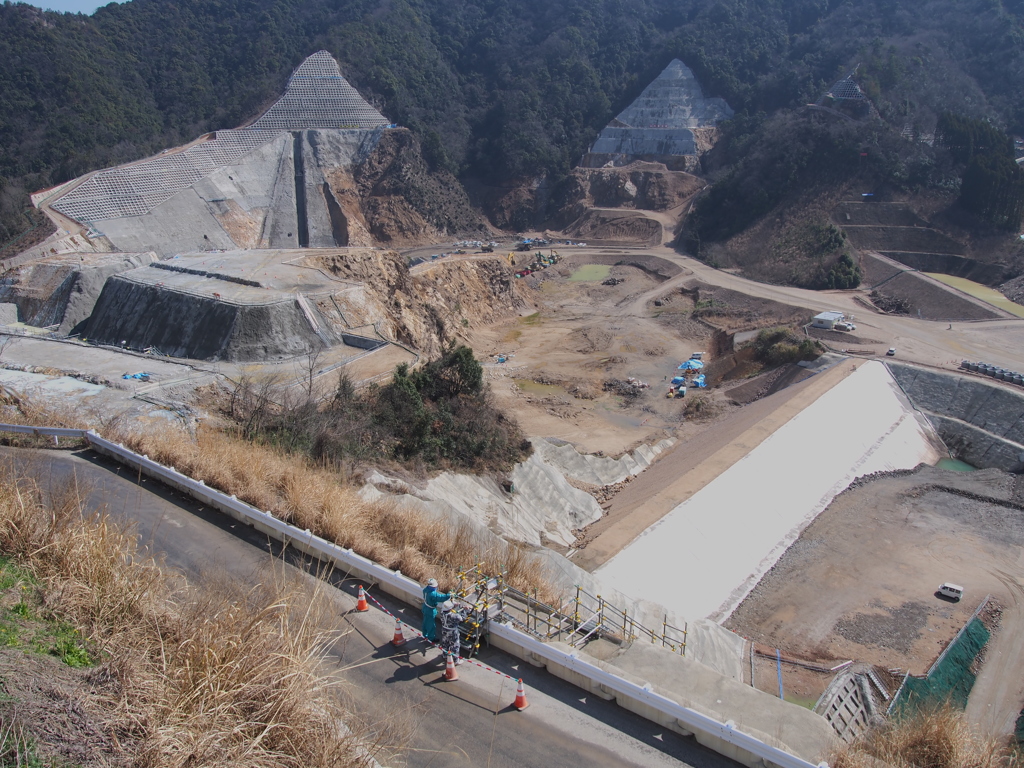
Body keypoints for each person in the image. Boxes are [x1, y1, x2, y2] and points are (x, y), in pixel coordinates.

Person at [421, 578, 450, 644]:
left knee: (425, 622)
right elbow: (441, 598)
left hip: (425, 607)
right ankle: (431, 638)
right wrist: (449, 595)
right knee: (431, 625)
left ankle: (425, 634)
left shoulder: (425, 590)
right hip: (430, 610)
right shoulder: (432, 594)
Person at [439, 600, 466, 664]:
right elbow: (462, 618)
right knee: (455, 645)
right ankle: (456, 660)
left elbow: (448, 609)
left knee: (445, 643)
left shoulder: (442, 612)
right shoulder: (454, 616)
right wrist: (464, 610)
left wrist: (453, 605)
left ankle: (445, 656)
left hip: (444, 630)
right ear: (450, 608)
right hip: (452, 632)